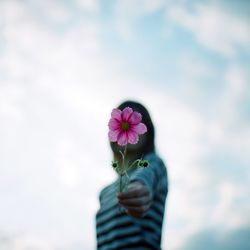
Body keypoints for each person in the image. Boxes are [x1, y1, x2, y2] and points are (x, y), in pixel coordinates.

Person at [96, 100, 168, 250]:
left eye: (137, 120)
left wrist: (139, 188)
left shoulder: (154, 163)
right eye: (121, 120)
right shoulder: (104, 193)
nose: (127, 125)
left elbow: (146, 175)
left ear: (147, 132)